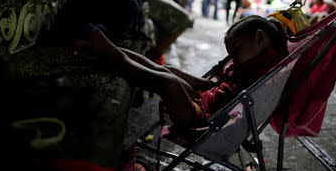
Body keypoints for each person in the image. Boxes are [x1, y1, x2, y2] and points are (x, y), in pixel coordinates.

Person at [82, 15, 288, 128]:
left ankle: (115, 57)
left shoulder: (267, 69)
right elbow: (218, 86)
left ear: (260, 37)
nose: (233, 58)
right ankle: (113, 50)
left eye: (236, 51)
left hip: (204, 119)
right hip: (204, 100)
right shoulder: (250, 60)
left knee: (169, 84)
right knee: (167, 70)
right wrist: (186, 77)